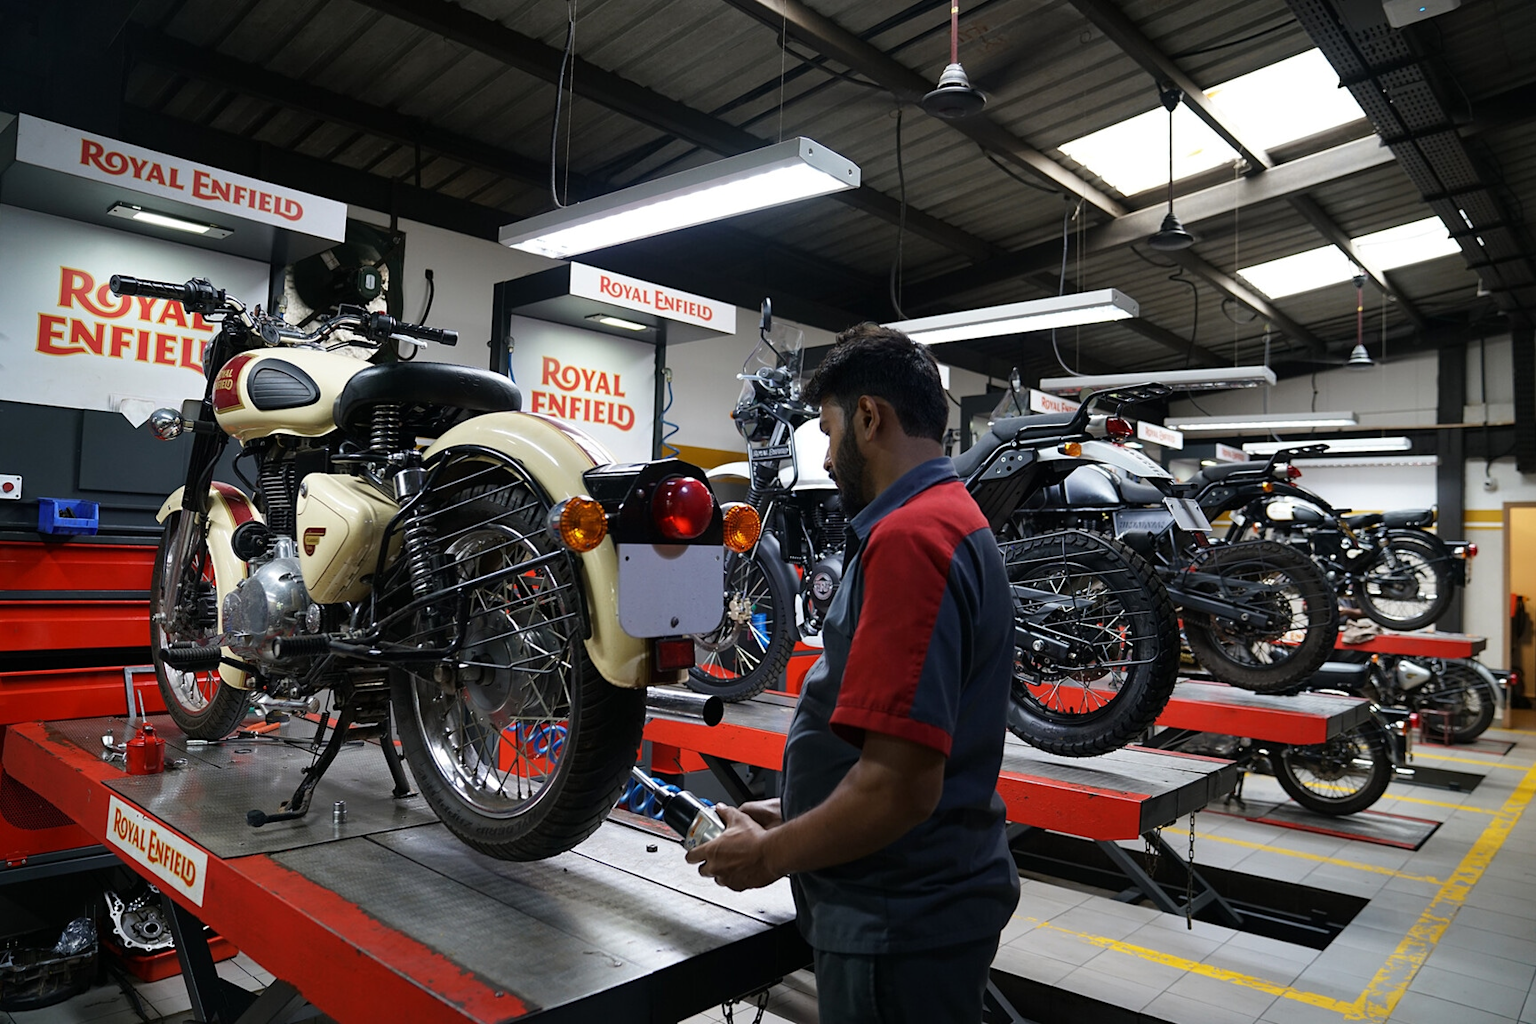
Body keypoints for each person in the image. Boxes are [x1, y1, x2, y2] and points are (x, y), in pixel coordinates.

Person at [685, 323, 1020, 1022]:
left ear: (871, 418)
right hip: (920, 899)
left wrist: (772, 853)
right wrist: (799, 810)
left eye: (831, 432)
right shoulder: (951, 520)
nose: (830, 458)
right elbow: (911, 749)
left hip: (896, 917)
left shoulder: (912, 539)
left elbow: (898, 789)